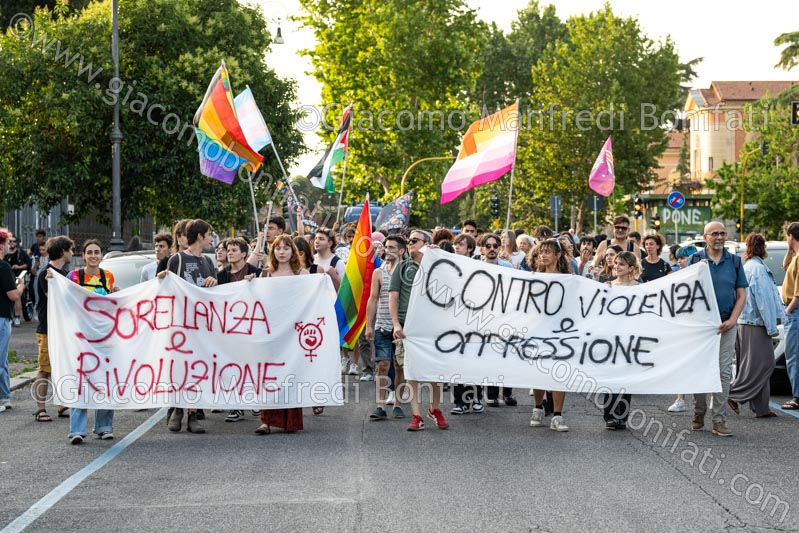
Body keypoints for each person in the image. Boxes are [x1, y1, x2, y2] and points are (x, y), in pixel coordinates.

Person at [688, 221, 747, 437]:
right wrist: (696, 272)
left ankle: (719, 420)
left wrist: (733, 320)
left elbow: (741, 295)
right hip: (701, 327)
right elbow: (685, 292)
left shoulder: (735, 261)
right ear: (705, 237)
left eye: (722, 233)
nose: (720, 237)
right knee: (701, 369)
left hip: (726, 324)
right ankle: (699, 412)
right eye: (714, 234)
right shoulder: (695, 260)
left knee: (723, 372)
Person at [159, 219, 218, 433]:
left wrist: (214, 283)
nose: (212, 239)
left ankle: (193, 414)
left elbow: (214, 293)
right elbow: (167, 288)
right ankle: (177, 409)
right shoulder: (177, 259)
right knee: (179, 367)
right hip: (180, 324)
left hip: (200, 325)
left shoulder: (209, 261)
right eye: (209, 235)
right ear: (200, 236)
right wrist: (162, 279)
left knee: (197, 368)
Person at [390, 230, 449, 431]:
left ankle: (434, 408)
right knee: (411, 370)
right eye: (409, 240)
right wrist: (396, 324)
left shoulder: (438, 266)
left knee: (435, 370)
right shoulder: (402, 267)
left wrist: (438, 254)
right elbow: (393, 297)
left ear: (426, 243)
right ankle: (417, 415)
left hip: (432, 326)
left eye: (415, 240)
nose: (410, 243)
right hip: (409, 327)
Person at [66, 239, 120, 444]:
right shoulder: (74, 277)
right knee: (80, 382)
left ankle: (104, 427)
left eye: (97, 252)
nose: (93, 256)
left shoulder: (108, 277)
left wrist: (116, 294)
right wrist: (52, 279)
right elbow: (65, 298)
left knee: (105, 381)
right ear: (83, 255)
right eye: (89, 252)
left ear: (102, 255)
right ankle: (77, 430)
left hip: (104, 337)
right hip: (81, 338)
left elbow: (111, 304)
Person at [255, 235, 309, 435]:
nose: (282, 252)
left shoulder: (302, 274)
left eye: (286, 248)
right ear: (273, 251)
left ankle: (290, 421)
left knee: (291, 373)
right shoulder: (265, 275)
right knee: (269, 374)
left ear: (293, 251)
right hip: (271, 331)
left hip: (294, 332)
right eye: (278, 248)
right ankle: (266, 421)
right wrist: (249, 283)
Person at [728, 234, 785, 418]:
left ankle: (761, 408)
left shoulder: (749, 266)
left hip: (746, 322)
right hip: (756, 323)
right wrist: (772, 325)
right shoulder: (758, 269)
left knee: (753, 365)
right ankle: (733, 395)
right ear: (763, 247)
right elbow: (764, 301)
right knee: (765, 364)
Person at [529, 238, 571, 432]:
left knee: (559, 372)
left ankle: (557, 415)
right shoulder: (534, 277)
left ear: (558, 255)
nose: (543, 255)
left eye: (547, 251)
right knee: (539, 371)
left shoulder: (568, 279)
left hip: (560, 332)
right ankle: (538, 408)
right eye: (541, 252)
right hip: (538, 330)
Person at [33, 236, 74, 422]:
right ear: (63, 251)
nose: (72, 253)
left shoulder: (65, 273)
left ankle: (63, 405)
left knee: (62, 367)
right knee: (44, 369)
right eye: (70, 250)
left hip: (63, 329)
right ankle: (40, 409)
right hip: (47, 329)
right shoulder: (46, 273)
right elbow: (55, 298)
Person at [365, 235, 406, 420]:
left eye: (391, 248)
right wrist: (368, 325)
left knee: (399, 366)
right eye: (386, 247)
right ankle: (380, 405)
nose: (387, 250)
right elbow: (372, 299)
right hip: (382, 326)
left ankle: (397, 403)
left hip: (402, 328)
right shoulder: (378, 272)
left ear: (401, 251)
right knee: (383, 365)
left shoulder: (408, 272)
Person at [601, 251, 641, 430]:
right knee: (610, 377)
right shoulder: (608, 286)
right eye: (616, 263)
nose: (616, 266)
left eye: (621, 264)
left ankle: (622, 417)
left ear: (631, 268)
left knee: (626, 379)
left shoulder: (639, 287)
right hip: (610, 338)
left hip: (630, 338)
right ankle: (610, 416)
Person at [481, 233, 517, 407]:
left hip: (505, 317)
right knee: (490, 357)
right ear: (482, 249)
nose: (492, 249)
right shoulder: (474, 266)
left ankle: (508, 393)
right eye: (488, 246)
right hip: (484, 318)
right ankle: (492, 394)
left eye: (495, 246)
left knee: (507, 356)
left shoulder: (508, 266)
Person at [666, 244, 699, 413]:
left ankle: (710, 397)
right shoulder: (676, 277)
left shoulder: (703, 278)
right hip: (681, 326)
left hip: (699, 327)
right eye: (678, 258)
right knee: (681, 364)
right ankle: (680, 399)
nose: (679, 261)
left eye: (683, 258)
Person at [0, 229, 27, 412]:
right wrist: (21, 286)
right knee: (1, 360)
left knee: (3, 361)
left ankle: (5, 396)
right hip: (2, 317)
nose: (10, 246)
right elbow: (13, 295)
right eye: (7, 242)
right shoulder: (4, 267)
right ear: (1, 246)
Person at [781, 222, 799, 410]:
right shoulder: (795, 257)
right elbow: (784, 266)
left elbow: (798, 294)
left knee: (793, 357)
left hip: (794, 312)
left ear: (791, 236)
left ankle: (797, 397)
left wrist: (787, 312)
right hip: (793, 312)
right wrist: (789, 249)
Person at [3, 234, 32, 326]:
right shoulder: (5, 253)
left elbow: (28, 263)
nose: (12, 243)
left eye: (14, 241)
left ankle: (17, 316)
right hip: (7, 277)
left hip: (18, 277)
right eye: (10, 241)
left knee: (17, 296)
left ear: (17, 243)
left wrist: (18, 267)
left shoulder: (21, 253)